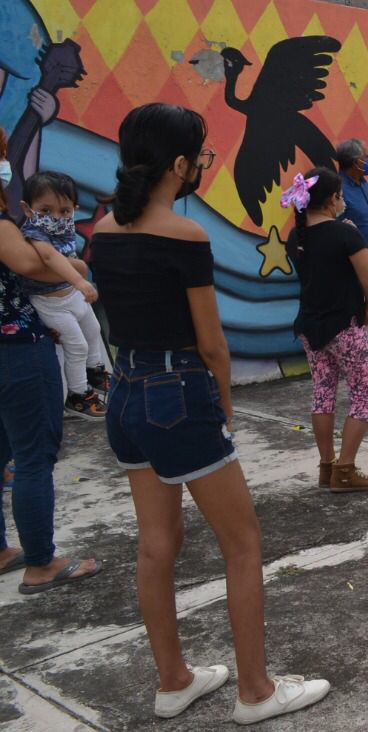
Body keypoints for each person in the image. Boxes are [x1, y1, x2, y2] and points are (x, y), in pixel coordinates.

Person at [92, 103, 328, 724]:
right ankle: (256, 691)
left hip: (126, 393)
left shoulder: (103, 233)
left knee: (156, 545)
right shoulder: (186, 236)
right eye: (200, 155)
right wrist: (222, 408)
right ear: (178, 164)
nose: (204, 164)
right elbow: (213, 344)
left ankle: (173, 681)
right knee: (243, 544)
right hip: (179, 394)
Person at [0, 158, 100, 597]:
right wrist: (77, 271)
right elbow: (34, 264)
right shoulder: (6, 228)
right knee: (34, 457)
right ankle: (41, 563)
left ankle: (2, 550)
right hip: (18, 350)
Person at [283, 168, 368, 493]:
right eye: (340, 195)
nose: (343, 201)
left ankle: (327, 466)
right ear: (331, 199)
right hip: (344, 327)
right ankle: (346, 469)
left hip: (310, 327)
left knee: (323, 393)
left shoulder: (295, 236)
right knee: (365, 393)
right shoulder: (345, 234)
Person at [18, 172, 110, 417]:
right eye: (45, 210)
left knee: (93, 331)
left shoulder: (65, 225)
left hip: (72, 295)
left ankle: (95, 372)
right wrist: (80, 280)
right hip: (50, 303)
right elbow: (50, 257)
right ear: (28, 209)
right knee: (77, 346)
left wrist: (77, 283)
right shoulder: (34, 232)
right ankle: (78, 395)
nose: (56, 217)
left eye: (64, 211)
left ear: (74, 209)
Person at [335, 139, 368, 343]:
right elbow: (336, 232)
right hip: (353, 272)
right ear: (356, 162)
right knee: (361, 323)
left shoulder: (365, 186)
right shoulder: (339, 191)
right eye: (366, 157)